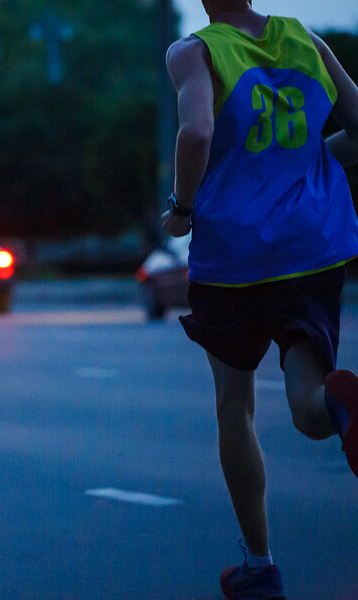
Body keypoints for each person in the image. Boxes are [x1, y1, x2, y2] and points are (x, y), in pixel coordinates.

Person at [162, 1, 358, 598]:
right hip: (313, 245)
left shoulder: (195, 51)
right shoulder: (306, 41)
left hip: (234, 256)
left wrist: (181, 207)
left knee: (235, 404)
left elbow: (197, 131)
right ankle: (343, 407)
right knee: (309, 403)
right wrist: (308, 163)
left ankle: (260, 565)